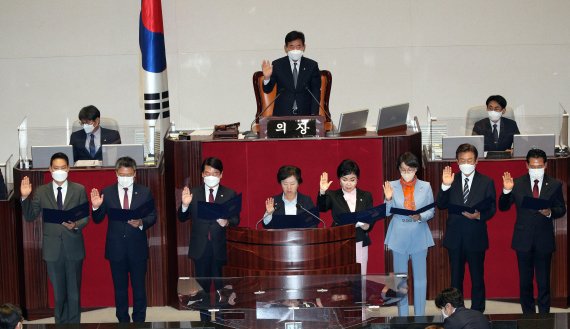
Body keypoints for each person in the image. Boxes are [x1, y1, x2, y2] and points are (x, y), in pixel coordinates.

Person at [20, 152, 88, 323]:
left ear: (69, 169)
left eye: (63, 168)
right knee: (59, 294)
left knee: (73, 294)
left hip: (73, 247)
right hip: (52, 250)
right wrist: (25, 197)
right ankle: (60, 325)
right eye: (56, 168)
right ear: (50, 169)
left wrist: (76, 224)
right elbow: (30, 216)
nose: (59, 171)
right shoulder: (41, 191)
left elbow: (84, 217)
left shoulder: (79, 189)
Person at [499, 149, 566, 313]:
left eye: (540, 166)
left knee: (543, 283)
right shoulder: (517, 183)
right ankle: (528, 316)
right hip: (523, 239)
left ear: (546, 165)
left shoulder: (555, 184)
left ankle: (544, 316)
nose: (537, 169)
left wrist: (550, 212)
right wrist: (506, 191)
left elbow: (561, 209)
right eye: (533, 166)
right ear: (527, 165)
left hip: (544, 240)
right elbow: (503, 207)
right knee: (525, 283)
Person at [91, 156, 156, 323]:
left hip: (137, 249)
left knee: (139, 289)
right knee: (120, 290)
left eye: (128, 175)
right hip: (116, 249)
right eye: (121, 175)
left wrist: (141, 222)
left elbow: (152, 216)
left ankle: (139, 321)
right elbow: (98, 219)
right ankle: (123, 321)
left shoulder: (144, 191)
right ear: (116, 174)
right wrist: (96, 206)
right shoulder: (107, 192)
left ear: (134, 174)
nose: (125, 178)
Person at [178, 157, 240, 322]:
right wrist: (184, 205)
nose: (211, 176)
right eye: (207, 173)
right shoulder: (194, 193)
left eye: (215, 173)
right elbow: (182, 217)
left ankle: (221, 321)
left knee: (222, 289)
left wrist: (227, 221)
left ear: (221, 175)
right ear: (202, 174)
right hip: (201, 248)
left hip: (220, 248)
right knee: (202, 290)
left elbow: (236, 220)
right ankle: (204, 322)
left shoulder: (229, 194)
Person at [436, 143, 496, 313]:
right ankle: (456, 311)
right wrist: (445, 186)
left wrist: (479, 216)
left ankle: (478, 311)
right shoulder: (451, 179)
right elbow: (440, 204)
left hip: (476, 237)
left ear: (477, 161)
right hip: (455, 238)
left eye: (470, 160)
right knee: (456, 279)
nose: (466, 163)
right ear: (457, 161)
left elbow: (492, 208)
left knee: (477, 278)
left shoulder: (486, 182)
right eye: (462, 160)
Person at [383, 152, 435, 316]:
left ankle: (420, 316)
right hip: (398, 235)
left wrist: (420, 216)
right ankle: (402, 317)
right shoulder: (390, 185)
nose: (407, 173)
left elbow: (431, 211)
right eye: (403, 169)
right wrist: (388, 199)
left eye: (410, 169)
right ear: (399, 169)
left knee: (420, 280)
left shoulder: (425, 186)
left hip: (419, 234)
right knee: (399, 280)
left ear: (416, 169)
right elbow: (385, 213)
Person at [318, 160, 374, 274]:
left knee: (360, 275)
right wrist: (323, 192)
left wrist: (367, 225)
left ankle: (361, 293)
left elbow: (371, 216)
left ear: (357, 179)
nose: (348, 184)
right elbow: (322, 208)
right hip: (338, 239)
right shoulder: (333, 195)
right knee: (340, 276)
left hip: (359, 238)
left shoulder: (366, 195)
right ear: (339, 179)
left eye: (352, 180)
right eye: (344, 180)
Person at [261, 30, 321, 116]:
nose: (295, 50)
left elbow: (316, 92)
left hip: (305, 114)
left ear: (304, 47)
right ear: (286, 48)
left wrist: (314, 115)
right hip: (282, 114)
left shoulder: (312, 65)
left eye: (298, 46)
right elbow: (267, 89)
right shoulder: (277, 65)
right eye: (291, 47)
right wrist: (267, 77)